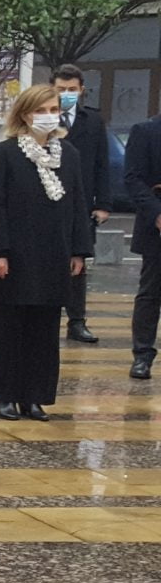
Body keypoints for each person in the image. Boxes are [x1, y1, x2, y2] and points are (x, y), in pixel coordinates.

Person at [0, 84, 93, 420]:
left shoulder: (69, 154)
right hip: (14, 255)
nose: (48, 116)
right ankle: (6, 394)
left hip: (54, 253)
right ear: (25, 115)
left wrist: (79, 251)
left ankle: (34, 396)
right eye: (41, 110)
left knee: (44, 329)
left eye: (53, 109)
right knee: (10, 327)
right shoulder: (4, 153)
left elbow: (78, 202)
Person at [51, 64, 110, 344]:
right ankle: (46, 316)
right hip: (49, 199)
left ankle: (77, 321)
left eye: (71, 89)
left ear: (81, 90)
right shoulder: (44, 117)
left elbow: (102, 164)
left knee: (78, 262)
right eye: (61, 89)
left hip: (81, 203)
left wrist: (103, 204)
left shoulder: (93, 121)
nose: (66, 94)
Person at [126, 108, 161, 380]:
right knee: (151, 292)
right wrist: (156, 213)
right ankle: (142, 355)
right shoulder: (145, 131)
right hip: (156, 224)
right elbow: (133, 178)